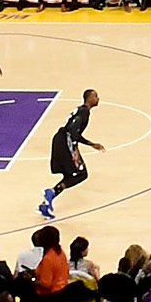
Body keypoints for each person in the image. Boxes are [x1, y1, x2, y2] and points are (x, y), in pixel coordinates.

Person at [40, 90, 101, 220]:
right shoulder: (84, 111)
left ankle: (47, 202)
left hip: (60, 140)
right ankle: (50, 193)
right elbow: (73, 129)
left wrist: (91, 144)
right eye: (96, 96)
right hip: (64, 142)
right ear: (89, 98)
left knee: (70, 174)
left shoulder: (81, 110)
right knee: (81, 173)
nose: (98, 98)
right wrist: (74, 150)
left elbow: (75, 132)